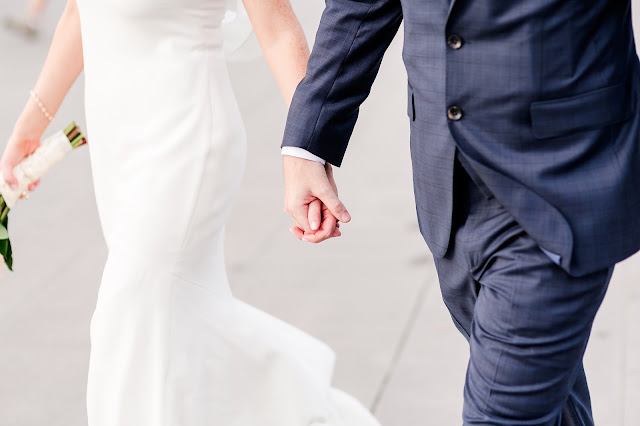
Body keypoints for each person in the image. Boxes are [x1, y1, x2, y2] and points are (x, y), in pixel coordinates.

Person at [0, 0, 378, 425]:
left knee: (126, 317)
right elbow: (77, 12)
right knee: (177, 321)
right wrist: (27, 130)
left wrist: (310, 151)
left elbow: (278, 30)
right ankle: (309, 413)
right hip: (118, 146)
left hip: (184, 141)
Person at [281, 0, 640, 424]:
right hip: (445, 180)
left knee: (499, 413)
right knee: (550, 403)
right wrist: (308, 143)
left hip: (563, 174)